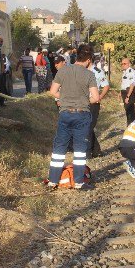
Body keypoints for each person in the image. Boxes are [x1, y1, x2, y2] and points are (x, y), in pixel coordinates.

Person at [47, 46, 99, 191]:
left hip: (65, 114)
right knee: (80, 149)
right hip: (82, 114)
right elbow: (95, 97)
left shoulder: (63, 70)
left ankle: (52, 181)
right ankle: (78, 182)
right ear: (88, 60)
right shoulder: (89, 75)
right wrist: (82, 100)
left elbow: (52, 91)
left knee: (59, 147)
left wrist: (65, 99)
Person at [89, 52, 110, 157]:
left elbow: (106, 86)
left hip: (93, 103)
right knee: (86, 127)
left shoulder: (97, 71)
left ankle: (89, 152)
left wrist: (100, 97)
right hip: (83, 102)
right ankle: (96, 151)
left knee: (89, 126)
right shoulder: (81, 71)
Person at [120, 58, 135, 124]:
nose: (123, 65)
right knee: (127, 110)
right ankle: (130, 125)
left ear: (129, 64)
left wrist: (128, 96)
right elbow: (123, 83)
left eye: (125, 63)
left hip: (129, 92)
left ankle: (132, 125)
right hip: (124, 92)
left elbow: (132, 85)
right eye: (122, 64)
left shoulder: (131, 72)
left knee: (130, 111)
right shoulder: (124, 72)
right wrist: (120, 93)